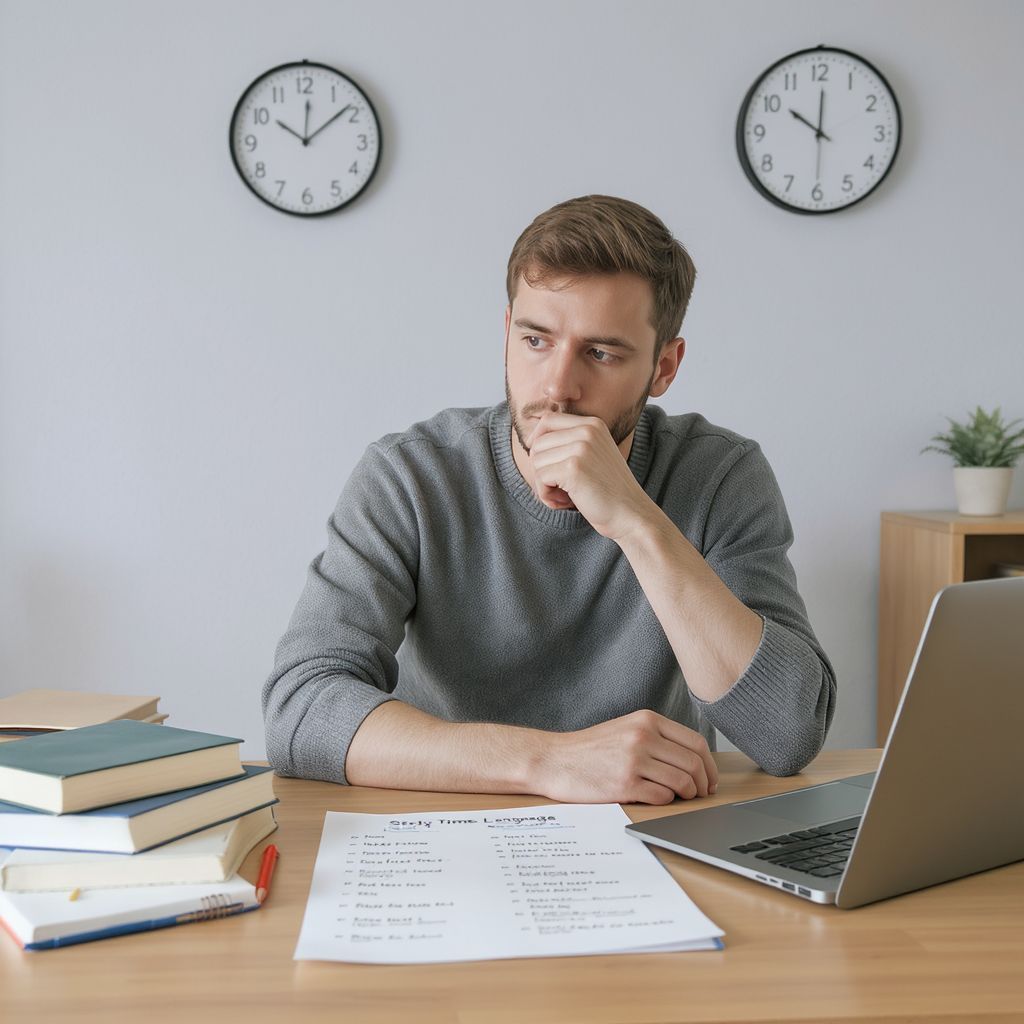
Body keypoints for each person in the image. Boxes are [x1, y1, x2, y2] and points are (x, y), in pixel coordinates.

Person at [262, 195, 836, 805]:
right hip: (444, 822)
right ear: (507, 332)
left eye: (602, 353)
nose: (558, 387)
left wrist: (637, 523)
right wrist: (547, 762)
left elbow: (788, 736)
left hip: (652, 830)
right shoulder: (409, 475)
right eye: (537, 341)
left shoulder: (719, 475)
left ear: (664, 367)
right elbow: (301, 708)